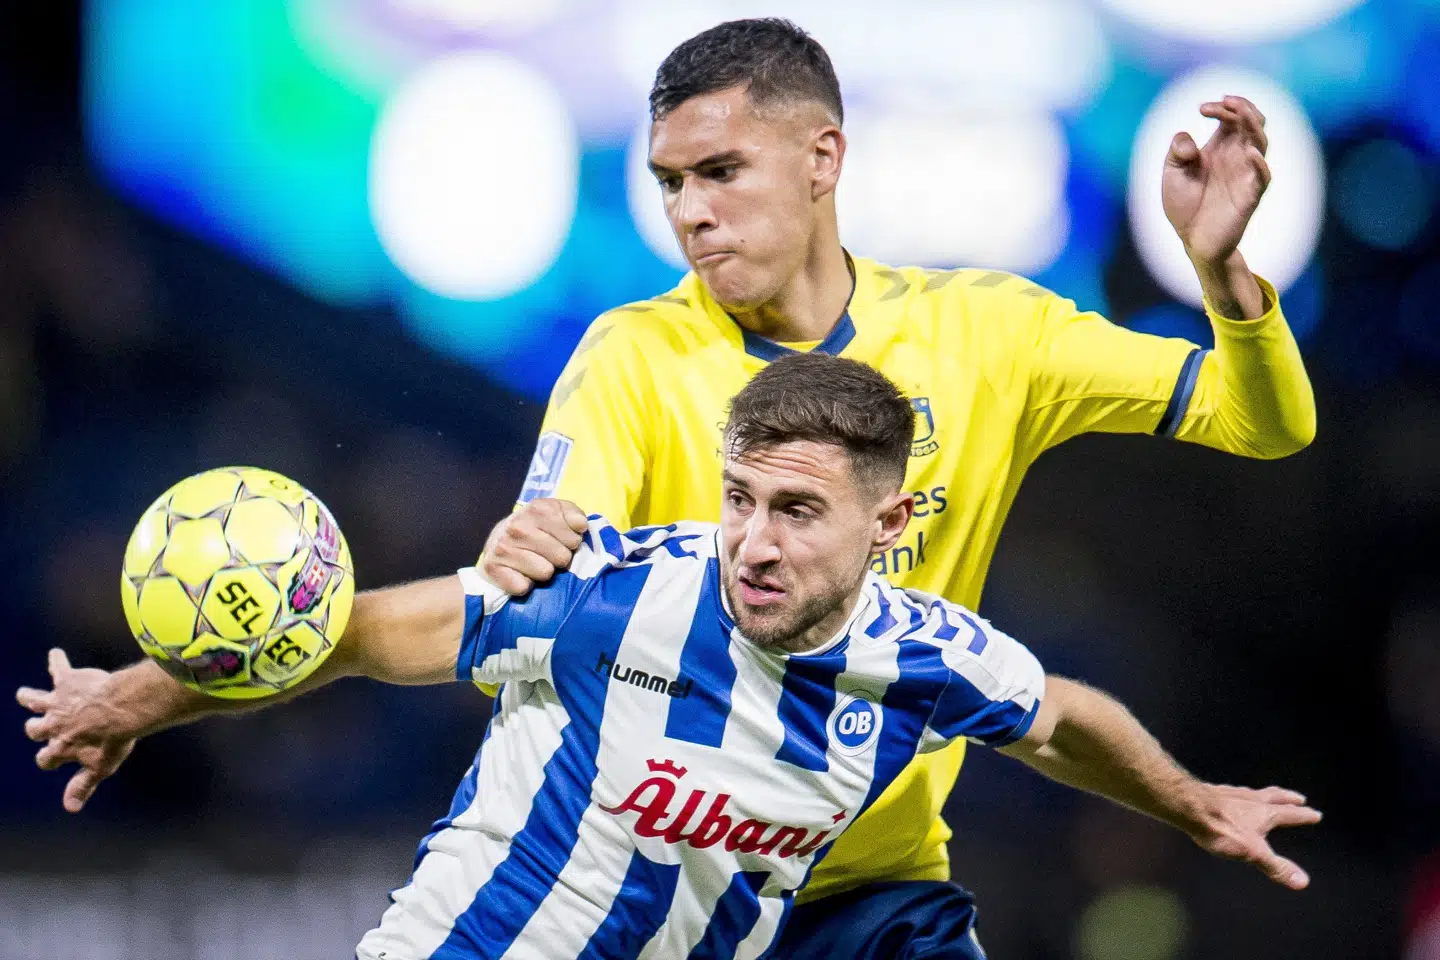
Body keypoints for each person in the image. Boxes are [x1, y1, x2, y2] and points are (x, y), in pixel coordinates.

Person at [20, 16, 1317, 958]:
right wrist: (165, 685)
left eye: (719, 173)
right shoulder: (634, 354)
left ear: (823, 159)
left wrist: (1226, 284)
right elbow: (505, 581)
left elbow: (1263, 425)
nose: (688, 214)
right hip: (668, 889)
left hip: (872, 893)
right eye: (668, 185)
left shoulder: (996, 336)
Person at [20, 355, 1319, 960]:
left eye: (797, 513)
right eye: (741, 497)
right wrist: (139, 694)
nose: (751, 540)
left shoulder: (930, 657)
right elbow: (353, 633)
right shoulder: (605, 591)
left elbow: (1062, 716)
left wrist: (1194, 802)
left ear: (885, 528)